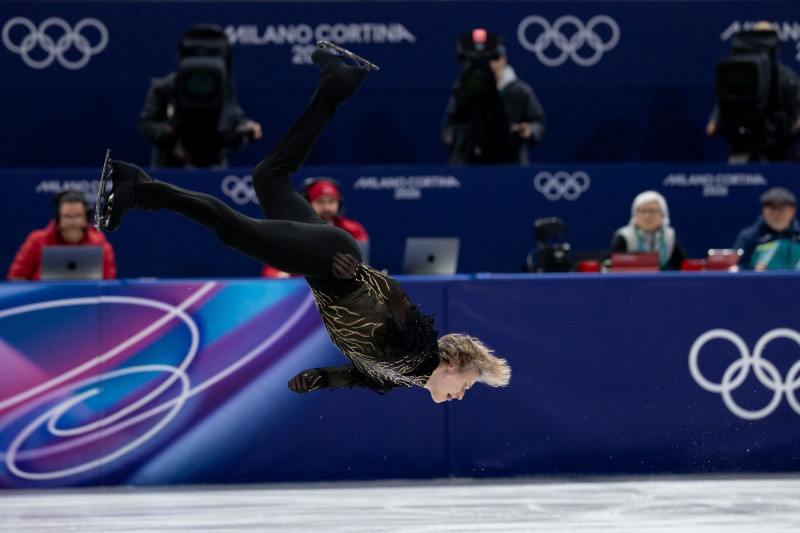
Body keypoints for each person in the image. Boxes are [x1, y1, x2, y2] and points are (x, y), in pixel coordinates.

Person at [96, 42, 511, 401]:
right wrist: (358, 271)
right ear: (453, 360)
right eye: (468, 384)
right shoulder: (419, 350)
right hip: (335, 263)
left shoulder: (405, 375)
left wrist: (318, 380)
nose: (461, 395)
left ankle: (334, 82)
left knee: (269, 178)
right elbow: (397, 297)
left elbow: (357, 375)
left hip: (327, 267)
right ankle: (141, 188)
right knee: (234, 232)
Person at [139, 24, 263, 168]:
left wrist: (246, 130)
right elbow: (147, 126)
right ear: (179, 56)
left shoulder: (224, 90)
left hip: (214, 168)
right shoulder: (163, 89)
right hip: (171, 168)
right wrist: (171, 130)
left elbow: (233, 122)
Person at [442, 29, 546, 165]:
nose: (490, 64)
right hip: (467, 161)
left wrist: (530, 130)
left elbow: (538, 122)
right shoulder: (464, 89)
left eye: (493, 59)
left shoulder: (520, 91)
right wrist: (454, 137)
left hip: (508, 159)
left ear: (503, 59)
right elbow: (449, 123)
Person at [706, 21, 800, 162]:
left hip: (780, 153)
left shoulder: (787, 78)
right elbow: (712, 128)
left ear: (776, 48)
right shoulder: (737, 74)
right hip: (742, 148)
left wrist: (786, 132)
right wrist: (717, 122)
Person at [261, 178, 369, 278]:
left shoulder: (353, 229)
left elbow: (362, 267)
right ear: (308, 203)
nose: (327, 207)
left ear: (338, 203)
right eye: (320, 201)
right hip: (302, 291)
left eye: (331, 201)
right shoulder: (292, 230)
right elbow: (271, 271)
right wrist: (281, 277)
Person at [7, 189, 117, 280]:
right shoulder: (36, 241)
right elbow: (15, 280)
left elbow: (108, 287)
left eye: (78, 216)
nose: (72, 223)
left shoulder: (101, 246)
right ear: (58, 219)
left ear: (86, 218)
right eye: (67, 217)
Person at [607, 190, 687, 271]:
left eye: (652, 211)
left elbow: (683, 267)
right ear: (635, 215)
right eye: (643, 211)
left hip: (660, 282)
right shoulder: (624, 237)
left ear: (662, 215)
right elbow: (607, 266)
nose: (647, 216)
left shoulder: (669, 237)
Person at [732, 186, 800, 270]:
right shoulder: (748, 237)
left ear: (793, 210)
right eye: (771, 209)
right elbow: (736, 269)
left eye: (782, 209)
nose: (776, 214)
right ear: (763, 210)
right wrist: (753, 270)